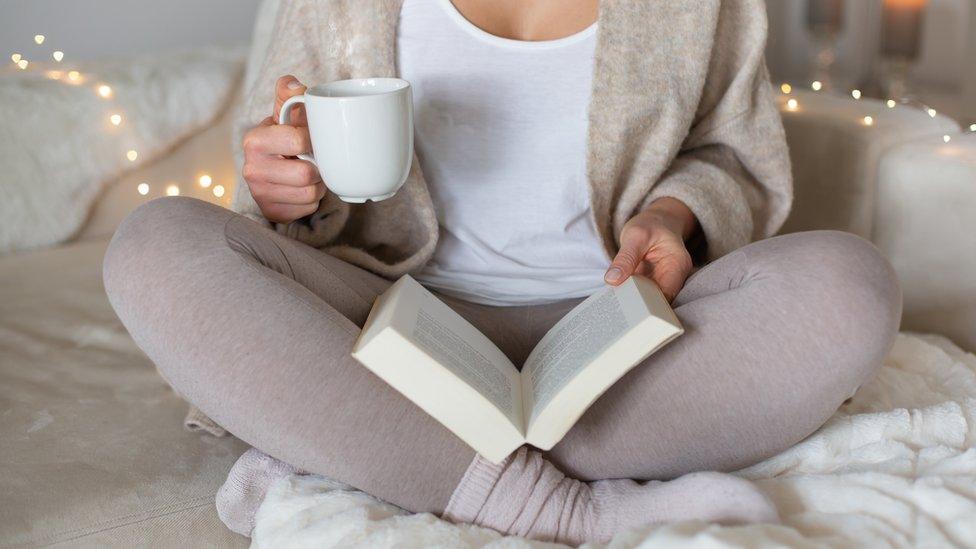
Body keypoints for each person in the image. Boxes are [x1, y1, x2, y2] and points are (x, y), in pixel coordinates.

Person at [102, 0, 902, 543]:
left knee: (848, 283)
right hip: (388, 317)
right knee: (155, 246)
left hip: (613, 327)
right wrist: (284, 186)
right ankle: (565, 504)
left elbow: (730, 152)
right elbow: (284, 159)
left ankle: (382, 445)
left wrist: (671, 216)